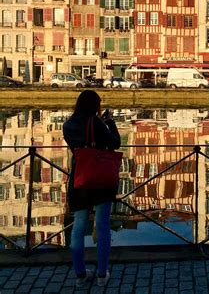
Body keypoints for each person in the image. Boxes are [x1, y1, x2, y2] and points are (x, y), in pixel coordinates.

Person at [63, 90, 121, 288]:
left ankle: (80, 273)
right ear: (95, 106)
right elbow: (114, 143)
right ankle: (102, 273)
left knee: (78, 226)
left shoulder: (68, 125)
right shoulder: (95, 123)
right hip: (99, 179)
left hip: (79, 178)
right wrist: (110, 122)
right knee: (102, 224)